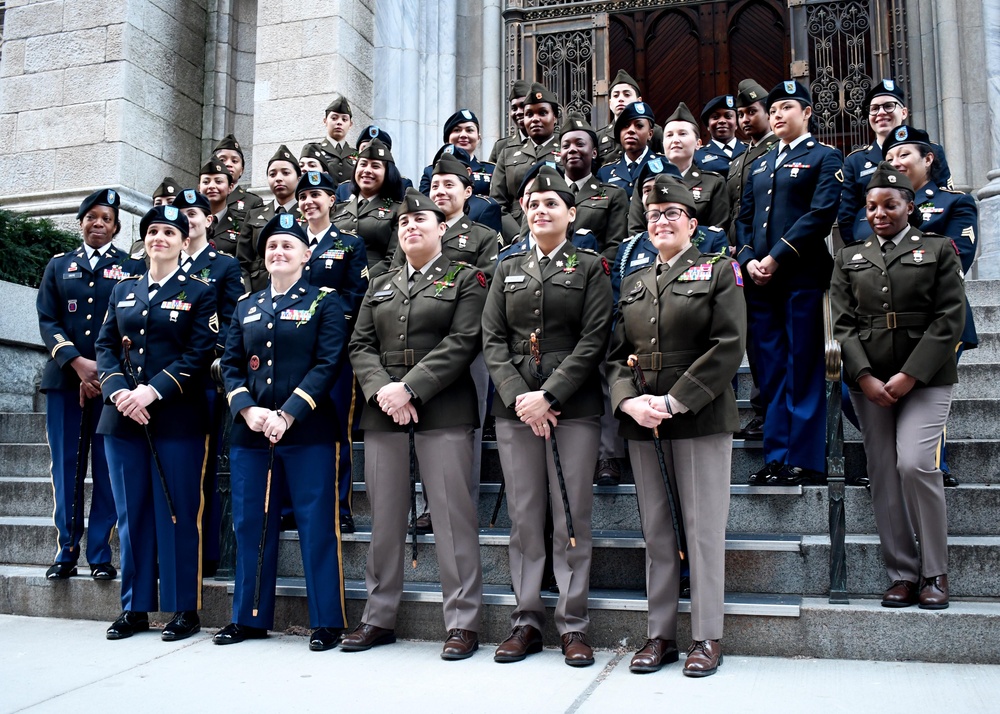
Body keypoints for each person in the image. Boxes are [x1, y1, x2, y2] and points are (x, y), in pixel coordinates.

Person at [608, 173, 745, 677]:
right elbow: (615, 356)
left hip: (700, 417)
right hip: (645, 422)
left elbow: (728, 345)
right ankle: (660, 634)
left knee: (703, 532)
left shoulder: (719, 270)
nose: (661, 221)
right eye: (653, 216)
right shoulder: (634, 282)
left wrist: (673, 399)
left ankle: (706, 636)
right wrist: (628, 403)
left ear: (692, 222)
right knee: (658, 533)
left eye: (671, 214)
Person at [343, 188, 488, 659]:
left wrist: (411, 388)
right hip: (383, 412)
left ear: (441, 228)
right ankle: (378, 617)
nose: (410, 227)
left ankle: (462, 622)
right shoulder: (379, 283)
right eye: (403, 223)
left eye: (420, 220)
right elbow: (360, 346)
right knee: (384, 518)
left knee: (450, 517)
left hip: (443, 408)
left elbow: (465, 339)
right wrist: (385, 390)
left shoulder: (465, 279)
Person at [482, 165, 612, 668]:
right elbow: (492, 341)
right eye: (533, 204)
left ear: (571, 213)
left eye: (551, 204)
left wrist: (550, 396)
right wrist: (521, 396)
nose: (540, 211)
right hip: (516, 412)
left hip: (572, 411)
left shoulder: (591, 267)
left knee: (571, 518)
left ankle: (573, 626)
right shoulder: (505, 267)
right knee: (523, 518)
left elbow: (594, 340)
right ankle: (526, 621)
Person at [830, 162, 965, 610]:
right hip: (869, 382)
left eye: (890, 204)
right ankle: (903, 574)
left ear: (910, 205)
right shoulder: (849, 258)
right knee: (883, 471)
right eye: (871, 206)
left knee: (914, 464)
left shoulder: (939, 249)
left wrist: (910, 375)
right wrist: (865, 376)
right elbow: (842, 325)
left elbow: (950, 319)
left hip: (924, 378)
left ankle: (935, 572)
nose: (879, 213)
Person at [215, 213, 350, 650]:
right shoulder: (246, 306)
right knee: (251, 523)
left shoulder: (325, 302)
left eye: (288, 246)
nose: (278, 252)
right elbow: (231, 366)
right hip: (252, 434)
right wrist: (246, 409)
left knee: (316, 525)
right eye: (272, 246)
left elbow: (328, 364)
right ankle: (249, 617)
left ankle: (326, 620)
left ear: (306, 255)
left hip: (308, 432)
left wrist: (288, 413)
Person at [96, 204, 217, 641]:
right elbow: (105, 346)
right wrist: (119, 392)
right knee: (132, 514)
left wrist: (153, 390)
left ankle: (185, 608)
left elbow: (201, 351)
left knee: (178, 512)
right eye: (152, 231)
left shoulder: (200, 292)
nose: (159, 238)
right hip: (123, 418)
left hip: (177, 418)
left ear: (185, 241)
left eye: (169, 231)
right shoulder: (123, 290)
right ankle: (135, 607)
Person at [735, 80, 844, 486]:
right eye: (774, 108)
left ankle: (805, 458)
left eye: (786, 107)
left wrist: (775, 257)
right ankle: (777, 455)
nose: (777, 114)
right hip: (760, 283)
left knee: (803, 367)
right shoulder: (761, 163)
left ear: (807, 112)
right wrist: (747, 259)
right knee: (771, 368)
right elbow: (743, 217)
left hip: (800, 276)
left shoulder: (825, 157)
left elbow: (819, 215)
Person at [37, 188, 135, 582]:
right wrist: (77, 364)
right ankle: (66, 549)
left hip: (110, 385)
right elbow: (48, 320)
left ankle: (99, 552)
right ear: (80, 222)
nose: (98, 223)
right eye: (91, 217)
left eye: (106, 218)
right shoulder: (59, 266)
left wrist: (101, 371)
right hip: (65, 379)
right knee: (65, 467)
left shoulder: (130, 267)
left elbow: (129, 322)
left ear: (116, 227)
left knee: (108, 471)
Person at [885, 125, 978, 486]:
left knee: (923, 388)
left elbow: (958, 258)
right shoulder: (878, 209)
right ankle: (902, 453)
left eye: (904, 154)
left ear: (928, 158)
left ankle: (933, 468)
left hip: (939, 318)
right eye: (890, 157)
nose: (896, 161)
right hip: (886, 321)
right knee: (852, 391)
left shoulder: (955, 203)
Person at [173, 189, 245, 575]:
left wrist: (206, 353)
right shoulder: (164, 260)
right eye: (182, 214)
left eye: (194, 213)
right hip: (164, 380)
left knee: (207, 467)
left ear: (209, 220)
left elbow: (233, 319)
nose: (188, 219)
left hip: (203, 376)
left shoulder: (224, 265)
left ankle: (208, 551)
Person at [297, 169, 369, 533]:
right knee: (293, 424)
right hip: (292, 351)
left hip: (332, 349)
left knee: (338, 426)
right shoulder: (288, 240)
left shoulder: (349, 244)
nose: (310, 201)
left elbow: (355, 297)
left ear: (332, 200)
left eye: (317, 195)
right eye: (304, 196)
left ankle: (340, 504)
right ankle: (290, 504)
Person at [838, 78, 953, 246]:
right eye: (874, 108)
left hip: (925, 244)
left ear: (904, 112)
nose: (881, 113)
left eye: (888, 106)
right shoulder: (855, 161)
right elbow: (847, 218)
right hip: (872, 249)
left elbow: (944, 198)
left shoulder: (931, 151)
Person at [727, 79, 779, 441]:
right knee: (753, 341)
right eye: (741, 114)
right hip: (740, 258)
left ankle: (770, 411)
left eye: (752, 112)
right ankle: (761, 410)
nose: (746, 119)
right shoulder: (740, 158)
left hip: (770, 260)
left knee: (769, 344)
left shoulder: (777, 152)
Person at [491, 82, 561, 241]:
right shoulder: (507, 153)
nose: (535, 119)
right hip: (516, 235)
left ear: (555, 117)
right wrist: (516, 236)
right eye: (529, 114)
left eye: (542, 113)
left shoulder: (567, 149)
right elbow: (497, 202)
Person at [558, 113, 629, 261]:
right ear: (560, 154)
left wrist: (590, 273)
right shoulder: (547, 194)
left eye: (579, 144)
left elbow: (615, 247)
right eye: (566, 146)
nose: (572, 149)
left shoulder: (614, 195)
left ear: (594, 152)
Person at [332, 138, 404, 279]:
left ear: (388, 173)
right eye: (363, 164)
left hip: (375, 287)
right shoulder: (337, 210)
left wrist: (362, 282)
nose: (367, 170)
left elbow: (394, 258)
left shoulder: (399, 210)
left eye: (375, 166)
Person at [237, 146, 302, 292]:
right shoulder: (254, 214)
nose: (278, 178)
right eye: (272, 174)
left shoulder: (307, 213)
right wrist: (248, 295)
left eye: (286, 173)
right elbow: (242, 261)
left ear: (298, 179)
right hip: (258, 290)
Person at [661, 102, 730, 232]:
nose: (675, 140)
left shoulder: (714, 183)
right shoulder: (648, 181)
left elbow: (718, 231)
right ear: (663, 143)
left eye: (682, 134)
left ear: (698, 143)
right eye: (669, 135)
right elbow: (637, 230)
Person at [596, 69, 665, 167]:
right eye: (616, 95)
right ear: (610, 103)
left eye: (627, 94)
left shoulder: (655, 132)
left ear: (639, 101)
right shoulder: (599, 137)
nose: (620, 99)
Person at [419, 110, 495, 197]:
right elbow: (424, 206)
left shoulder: (492, 170)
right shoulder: (430, 171)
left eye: (469, 130)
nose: (463, 135)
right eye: (457, 130)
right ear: (447, 139)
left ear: (478, 138)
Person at [597, 101, 660, 199]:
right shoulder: (605, 173)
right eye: (626, 126)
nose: (631, 130)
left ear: (650, 134)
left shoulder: (664, 166)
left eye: (639, 126)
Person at [213, 133, 264, 218]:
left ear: (242, 170)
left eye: (234, 161)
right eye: (222, 160)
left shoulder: (253, 202)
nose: (228, 164)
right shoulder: (200, 198)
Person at [199, 159, 241, 257]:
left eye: (218, 182)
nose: (212, 186)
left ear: (230, 187)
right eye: (206, 182)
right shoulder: (190, 223)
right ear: (199, 188)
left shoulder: (241, 226)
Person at [694, 94, 746, 174]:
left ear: (736, 124)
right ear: (708, 126)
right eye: (715, 117)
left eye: (728, 116)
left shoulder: (749, 150)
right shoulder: (697, 157)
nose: (722, 121)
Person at [316, 94, 357, 185]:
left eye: (344, 119)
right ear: (325, 121)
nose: (339, 122)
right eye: (334, 118)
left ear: (350, 125)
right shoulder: (315, 150)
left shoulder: (357, 154)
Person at [489, 80, 531, 163]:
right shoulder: (501, 147)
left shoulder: (556, 141)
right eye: (514, 108)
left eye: (523, 106)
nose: (518, 112)